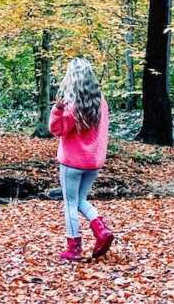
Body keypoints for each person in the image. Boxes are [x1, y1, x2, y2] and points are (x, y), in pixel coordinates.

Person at [49, 57, 114, 262]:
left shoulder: (70, 104)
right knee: (80, 200)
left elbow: (57, 130)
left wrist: (56, 110)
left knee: (70, 203)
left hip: (72, 162)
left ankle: (74, 248)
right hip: (94, 161)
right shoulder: (100, 100)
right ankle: (101, 230)